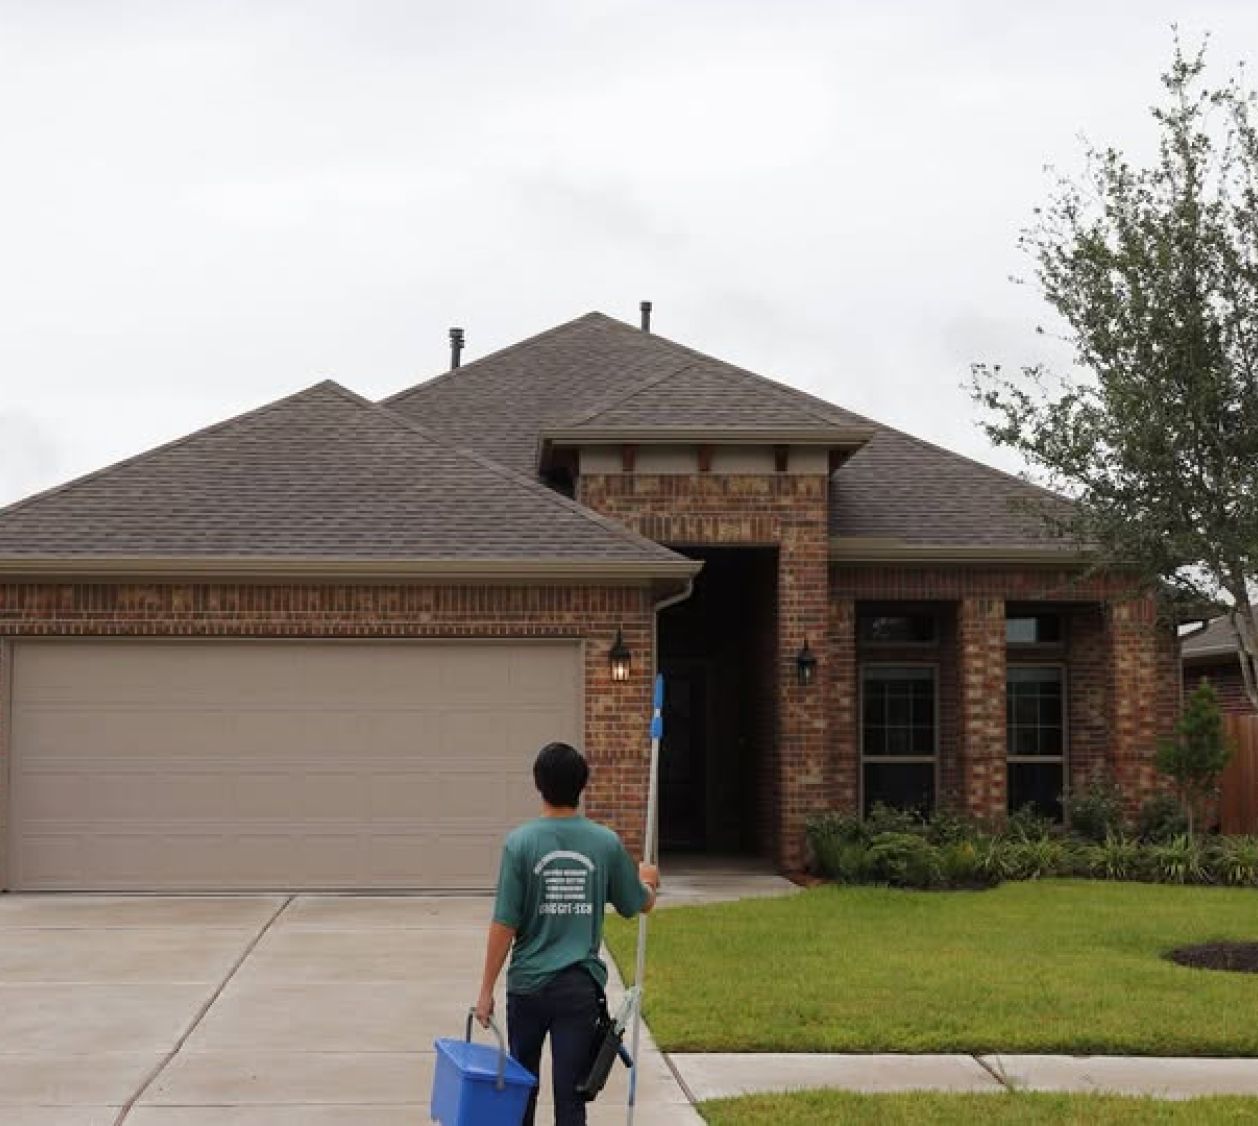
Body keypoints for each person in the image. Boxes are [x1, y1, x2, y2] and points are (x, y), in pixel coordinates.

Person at [475, 741, 659, 1126]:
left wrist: (485, 990)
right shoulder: (605, 843)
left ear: (538, 784)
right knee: (571, 1100)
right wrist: (649, 883)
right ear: (582, 785)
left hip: (526, 988)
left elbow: (504, 922)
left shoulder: (520, 844)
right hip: (578, 990)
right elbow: (637, 904)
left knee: (520, 1093)